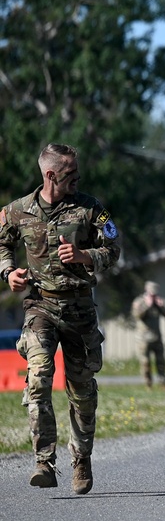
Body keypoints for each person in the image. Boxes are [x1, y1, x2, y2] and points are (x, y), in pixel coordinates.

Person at [0, 143, 121, 494]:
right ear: (50, 175)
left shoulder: (91, 209)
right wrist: (8, 272)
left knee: (82, 392)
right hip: (40, 306)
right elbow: (2, 244)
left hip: (80, 309)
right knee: (38, 379)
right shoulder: (17, 211)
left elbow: (113, 245)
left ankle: (81, 458)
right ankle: (44, 462)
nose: (77, 180)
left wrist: (86, 255)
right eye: (70, 175)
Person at [131, 280, 165, 388]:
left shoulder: (159, 301)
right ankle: (148, 384)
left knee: (161, 362)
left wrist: (161, 307)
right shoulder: (139, 301)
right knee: (145, 362)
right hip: (143, 338)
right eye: (151, 293)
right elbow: (137, 316)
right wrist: (147, 305)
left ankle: (163, 383)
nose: (153, 295)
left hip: (157, 337)